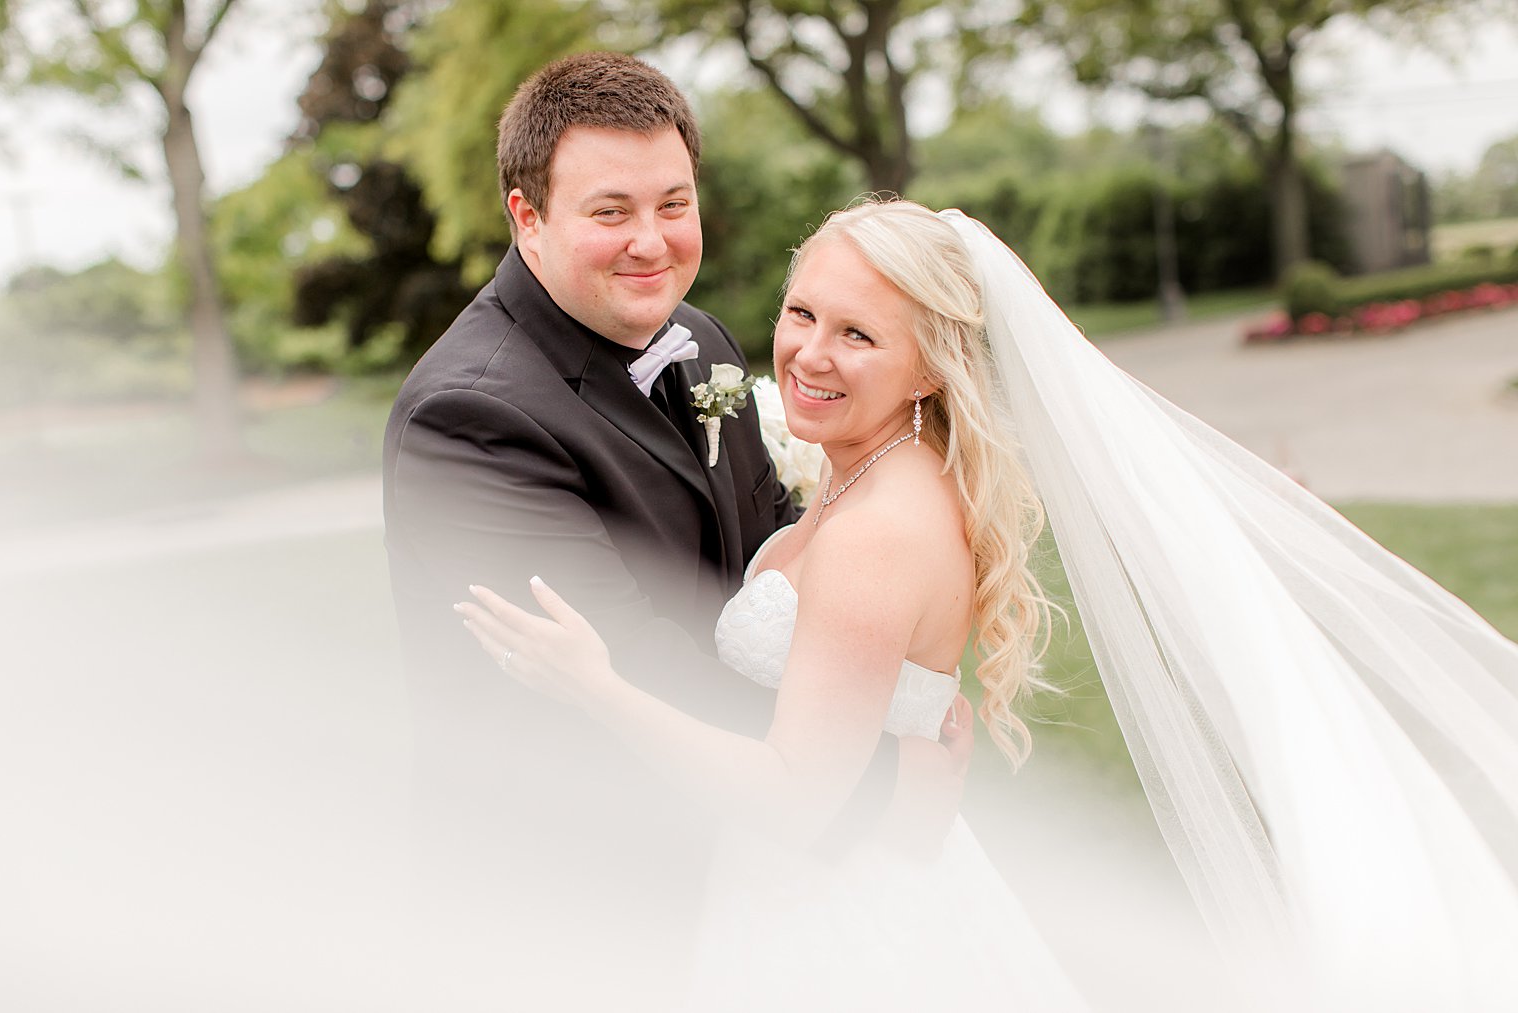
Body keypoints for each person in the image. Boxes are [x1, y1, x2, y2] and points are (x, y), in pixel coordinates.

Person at [461, 197, 1518, 1010]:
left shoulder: (882, 527)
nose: (808, 355)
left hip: (837, 917)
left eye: (859, 335)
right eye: (799, 312)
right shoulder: (874, 475)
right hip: (850, 875)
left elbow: (795, 792)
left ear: (931, 362)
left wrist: (598, 687)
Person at [381, 55, 967, 1007]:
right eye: (610, 211)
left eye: (674, 204)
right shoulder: (470, 418)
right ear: (527, 217)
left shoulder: (699, 341)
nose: (651, 243)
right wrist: (875, 781)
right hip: (575, 909)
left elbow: (777, 537)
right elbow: (629, 660)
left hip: (734, 877)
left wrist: (887, 634)